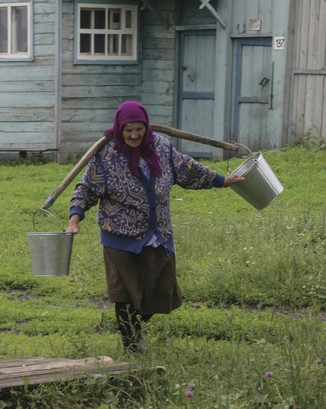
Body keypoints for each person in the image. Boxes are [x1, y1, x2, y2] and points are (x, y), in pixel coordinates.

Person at [66, 101, 244, 353]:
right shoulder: (105, 154)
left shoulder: (161, 146)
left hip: (156, 233)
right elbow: (87, 188)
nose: (134, 135)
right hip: (119, 235)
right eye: (128, 130)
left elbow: (187, 170)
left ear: (146, 127)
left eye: (139, 129)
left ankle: (134, 328)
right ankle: (132, 347)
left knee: (159, 292)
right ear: (119, 128)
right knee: (124, 294)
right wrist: (75, 217)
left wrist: (221, 180)